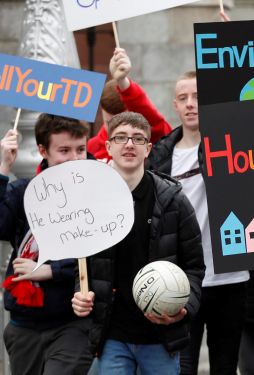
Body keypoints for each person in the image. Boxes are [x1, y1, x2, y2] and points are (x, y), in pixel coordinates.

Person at [71, 111, 204, 374]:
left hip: (161, 337)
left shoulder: (174, 201)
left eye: (138, 139)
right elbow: (83, 263)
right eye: (120, 138)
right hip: (112, 336)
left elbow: (195, 268)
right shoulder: (90, 203)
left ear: (148, 149)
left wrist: (185, 309)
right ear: (108, 146)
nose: (129, 144)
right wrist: (80, 293)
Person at [146, 70, 251, 375]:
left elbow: (249, 112)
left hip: (231, 278)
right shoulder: (162, 153)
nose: (191, 104)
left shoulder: (231, 143)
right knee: (183, 366)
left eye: (198, 97)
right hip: (181, 281)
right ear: (175, 106)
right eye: (183, 98)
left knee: (225, 366)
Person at [0, 115, 93, 374]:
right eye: (64, 150)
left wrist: (51, 270)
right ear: (43, 151)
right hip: (23, 325)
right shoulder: (22, 192)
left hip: (71, 324)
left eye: (80, 149)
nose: (74, 158)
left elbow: (101, 258)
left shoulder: (97, 195)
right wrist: (3, 169)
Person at [88, 47, 172, 160]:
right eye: (109, 124)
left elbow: (155, 123)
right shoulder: (90, 148)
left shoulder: (153, 140)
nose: (116, 132)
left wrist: (123, 82)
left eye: (122, 124)